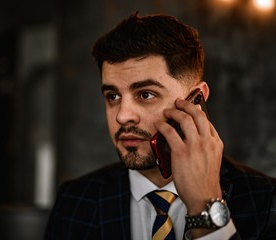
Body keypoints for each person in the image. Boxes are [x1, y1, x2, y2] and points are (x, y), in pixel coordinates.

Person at [44, 12, 276, 240]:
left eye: (145, 94)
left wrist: (204, 205)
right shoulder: (76, 201)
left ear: (196, 99)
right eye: (113, 96)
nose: (123, 117)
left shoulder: (266, 202)